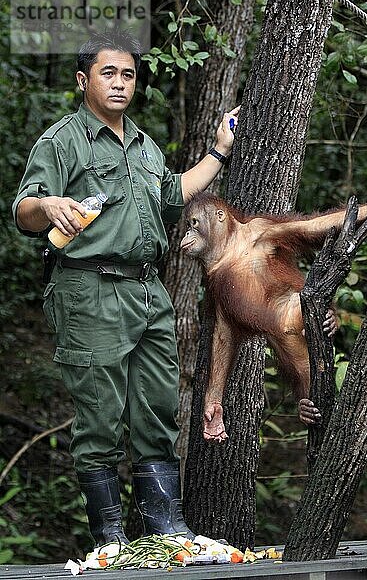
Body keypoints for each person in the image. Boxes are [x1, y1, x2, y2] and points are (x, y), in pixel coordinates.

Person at [12, 29, 239, 548]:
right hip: (88, 289)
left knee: (159, 407)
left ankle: (166, 527)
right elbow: (24, 210)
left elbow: (173, 192)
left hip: (147, 291)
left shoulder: (143, 143)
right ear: (82, 79)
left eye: (128, 74)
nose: (119, 84)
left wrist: (220, 151)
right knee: (100, 416)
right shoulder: (62, 141)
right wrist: (47, 206)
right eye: (108, 73)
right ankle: (109, 539)